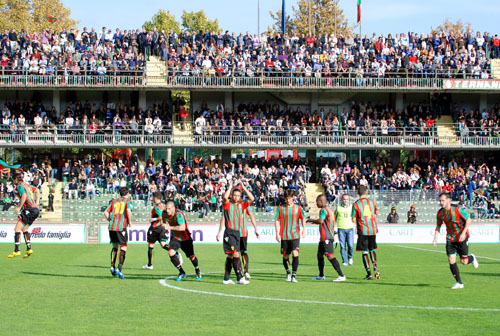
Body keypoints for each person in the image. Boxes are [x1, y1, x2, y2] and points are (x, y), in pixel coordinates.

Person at [433, 192, 479, 289]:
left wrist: (463, 233)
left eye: (443, 200)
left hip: (462, 237)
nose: (441, 202)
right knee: (451, 259)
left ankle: (472, 258)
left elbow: (469, 220)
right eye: (440, 201)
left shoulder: (457, 209)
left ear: (448, 200)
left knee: (464, 261)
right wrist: (435, 238)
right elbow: (438, 226)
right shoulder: (440, 213)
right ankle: (459, 282)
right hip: (450, 239)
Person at [216, 179, 254, 285]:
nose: (236, 197)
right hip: (229, 233)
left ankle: (226, 278)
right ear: (231, 196)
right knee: (236, 254)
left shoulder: (241, 205)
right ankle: (239, 278)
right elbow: (224, 198)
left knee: (231, 256)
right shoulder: (227, 205)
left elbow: (252, 198)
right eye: (234, 195)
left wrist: (244, 187)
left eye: (238, 195)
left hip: (237, 233)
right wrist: (230, 187)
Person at [308, 194, 346, 282]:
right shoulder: (329, 210)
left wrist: (312, 220)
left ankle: (341, 275)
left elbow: (321, 221)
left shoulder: (323, 210)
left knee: (330, 256)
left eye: (317, 202)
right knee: (319, 255)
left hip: (326, 237)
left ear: (321, 201)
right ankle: (321, 275)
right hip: (324, 237)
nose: (316, 204)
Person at [162, 201, 202, 281]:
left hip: (186, 239)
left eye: (169, 209)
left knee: (192, 257)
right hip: (176, 237)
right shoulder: (164, 213)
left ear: (173, 208)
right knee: (171, 252)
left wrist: (169, 228)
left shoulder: (179, 214)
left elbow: (182, 228)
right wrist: (165, 227)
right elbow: (164, 221)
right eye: (166, 209)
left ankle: (197, 269)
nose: (167, 211)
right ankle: (182, 272)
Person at [219, 204, 260, 280]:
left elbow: (251, 215)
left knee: (243, 252)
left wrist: (256, 228)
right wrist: (220, 231)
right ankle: (237, 275)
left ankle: (245, 272)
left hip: (242, 233)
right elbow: (223, 217)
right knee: (233, 254)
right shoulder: (228, 205)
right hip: (232, 233)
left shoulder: (244, 204)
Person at [274, 190, 306, 283]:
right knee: (285, 257)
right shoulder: (280, 208)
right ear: (284, 199)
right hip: (284, 236)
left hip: (295, 235)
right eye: (286, 199)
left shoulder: (298, 208)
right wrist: (277, 233)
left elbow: (303, 218)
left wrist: (304, 229)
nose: (288, 200)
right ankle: (288, 272)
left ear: (293, 198)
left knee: (295, 254)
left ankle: (294, 275)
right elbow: (276, 220)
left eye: (290, 198)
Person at [8, 173, 40, 258]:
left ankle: (17, 250)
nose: (13, 181)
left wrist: (19, 207)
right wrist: (37, 202)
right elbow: (37, 190)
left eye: (13, 180)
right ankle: (29, 249)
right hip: (35, 210)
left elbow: (24, 195)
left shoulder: (19, 186)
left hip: (28, 209)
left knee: (17, 229)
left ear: (16, 179)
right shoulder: (27, 185)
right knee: (25, 228)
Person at [104, 187, 133, 279]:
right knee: (123, 247)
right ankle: (119, 270)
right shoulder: (128, 201)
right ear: (127, 193)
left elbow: (105, 212)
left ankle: (112, 266)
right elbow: (128, 210)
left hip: (112, 227)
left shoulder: (114, 201)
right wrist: (130, 221)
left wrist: (110, 219)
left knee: (115, 247)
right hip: (121, 228)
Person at [351, 186, 380, 280]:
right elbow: (377, 212)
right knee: (372, 249)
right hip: (372, 230)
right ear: (366, 193)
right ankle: (375, 267)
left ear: (358, 193)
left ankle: (369, 274)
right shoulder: (371, 202)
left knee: (364, 252)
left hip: (363, 230)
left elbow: (353, 219)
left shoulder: (356, 204)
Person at [142, 192, 169, 270]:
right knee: (163, 244)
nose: (152, 198)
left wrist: (153, 219)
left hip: (155, 228)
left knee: (151, 245)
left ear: (156, 198)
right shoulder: (163, 205)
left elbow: (161, 216)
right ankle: (175, 252)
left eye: (153, 197)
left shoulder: (157, 207)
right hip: (162, 228)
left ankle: (150, 265)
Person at [335, 194, 354, 267]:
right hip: (341, 229)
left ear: (349, 200)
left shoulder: (352, 207)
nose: (345, 201)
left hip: (350, 228)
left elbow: (354, 217)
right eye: (344, 199)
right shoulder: (338, 208)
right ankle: (344, 261)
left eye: (347, 199)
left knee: (351, 245)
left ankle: (350, 257)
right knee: (342, 246)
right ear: (342, 200)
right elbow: (334, 217)